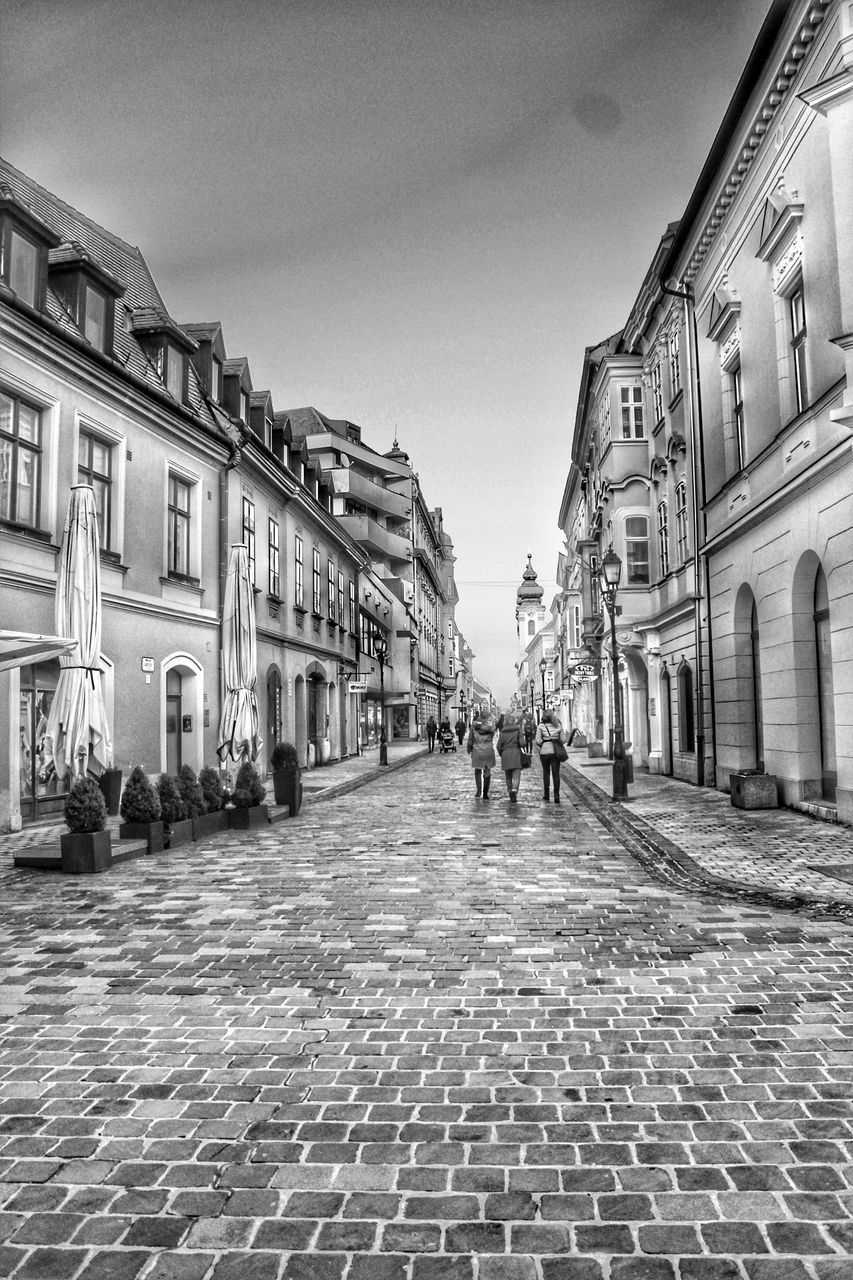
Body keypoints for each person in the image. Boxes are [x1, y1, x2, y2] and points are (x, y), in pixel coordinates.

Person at [535, 710, 569, 804]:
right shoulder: (558, 725)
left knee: (546, 773)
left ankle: (546, 795)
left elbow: (537, 740)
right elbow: (563, 739)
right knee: (556, 774)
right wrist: (557, 742)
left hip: (544, 752)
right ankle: (556, 796)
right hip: (555, 752)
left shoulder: (541, 726)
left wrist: (544, 744)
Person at [496, 710, 525, 803]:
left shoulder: (502, 732)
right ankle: (514, 791)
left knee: (508, 776)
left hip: (506, 754)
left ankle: (510, 791)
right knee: (516, 776)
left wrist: (502, 753)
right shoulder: (518, 730)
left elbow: (498, 746)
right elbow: (522, 743)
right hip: (516, 754)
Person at [466, 708, 496, 798]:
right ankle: (485, 793)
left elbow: (470, 739)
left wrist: (469, 748)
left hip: (477, 750)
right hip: (488, 750)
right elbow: (493, 734)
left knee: (477, 771)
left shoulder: (475, 726)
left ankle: (479, 791)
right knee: (487, 771)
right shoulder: (490, 727)